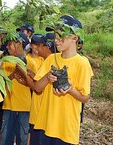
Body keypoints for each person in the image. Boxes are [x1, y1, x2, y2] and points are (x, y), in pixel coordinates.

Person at [16, 15, 94, 145]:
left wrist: (70, 89)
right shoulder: (51, 59)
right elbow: (37, 88)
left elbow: (85, 98)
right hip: (45, 123)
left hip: (65, 128)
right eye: (56, 36)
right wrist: (47, 77)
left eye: (61, 36)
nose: (56, 40)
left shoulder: (82, 63)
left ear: (75, 38)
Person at [0, 32, 36, 145]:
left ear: (19, 44)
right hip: (9, 106)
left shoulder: (31, 62)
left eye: (9, 44)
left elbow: (36, 86)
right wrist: (14, 74)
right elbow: (1, 83)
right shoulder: (6, 62)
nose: (7, 47)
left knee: (23, 138)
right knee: (6, 137)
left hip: (25, 107)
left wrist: (25, 75)